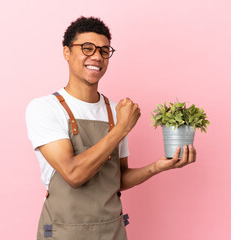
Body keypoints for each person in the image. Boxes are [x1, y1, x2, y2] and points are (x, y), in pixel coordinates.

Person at [25, 16, 197, 240]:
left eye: (104, 50)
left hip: (112, 231)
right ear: (66, 52)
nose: (97, 56)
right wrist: (122, 128)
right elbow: (73, 174)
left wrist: (158, 167)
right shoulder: (44, 108)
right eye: (87, 48)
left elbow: (117, 179)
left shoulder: (116, 112)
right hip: (64, 232)